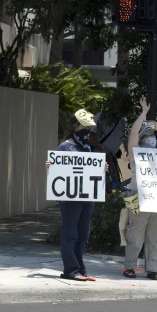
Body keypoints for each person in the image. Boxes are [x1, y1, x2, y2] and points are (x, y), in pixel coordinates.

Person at [45, 109, 105, 282]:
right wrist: (51, 165)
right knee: (70, 234)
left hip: (86, 197)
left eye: (89, 127)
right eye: (84, 126)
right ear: (74, 126)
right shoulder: (65, 146)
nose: (87, 131)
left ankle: (80, 269)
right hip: (71, 199)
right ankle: (70, 270)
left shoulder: (85, 147)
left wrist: (102, 169)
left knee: (82, 234)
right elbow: (58, 169)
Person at [122, 96, 157, 281]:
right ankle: (130, 266)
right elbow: (133, 135)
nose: (151, 139)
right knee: (134, 233)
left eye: (153, 136)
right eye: (147, 136)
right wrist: (143, 114)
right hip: (136, 196)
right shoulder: (135, 154)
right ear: (141, 140)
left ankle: (152, 268)